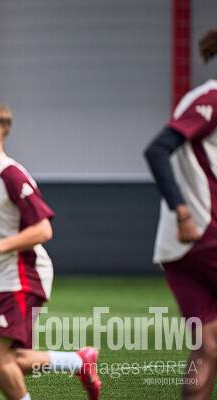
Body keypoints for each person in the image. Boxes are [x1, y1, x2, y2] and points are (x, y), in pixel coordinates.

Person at [0, 100, 101, 400]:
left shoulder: (12, 176)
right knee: (13, 359)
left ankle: (77, 362)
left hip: (25, 274)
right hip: (3, 275)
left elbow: (43, 230)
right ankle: (78, 361)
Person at [144, 28, 217, 400]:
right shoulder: (211, 98)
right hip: (206, 235)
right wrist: (184, 213)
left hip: (180, 247)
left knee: (206, 346)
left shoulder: (201, 96)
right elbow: (157, 150)